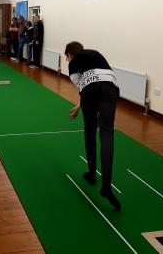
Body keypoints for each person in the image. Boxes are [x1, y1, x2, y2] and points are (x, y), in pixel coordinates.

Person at [65, 41, 121, 210]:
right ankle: (106, 186)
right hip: (111, 87)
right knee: (107, 134)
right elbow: (101, 80)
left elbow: (85, 88)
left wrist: (79, 106)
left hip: (90, 91)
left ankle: (91, 174)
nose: (67, 61)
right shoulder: (96, 53)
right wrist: (78, 105)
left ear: (69, 55)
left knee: (90, 130)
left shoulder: (74, 64)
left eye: (66, 58)